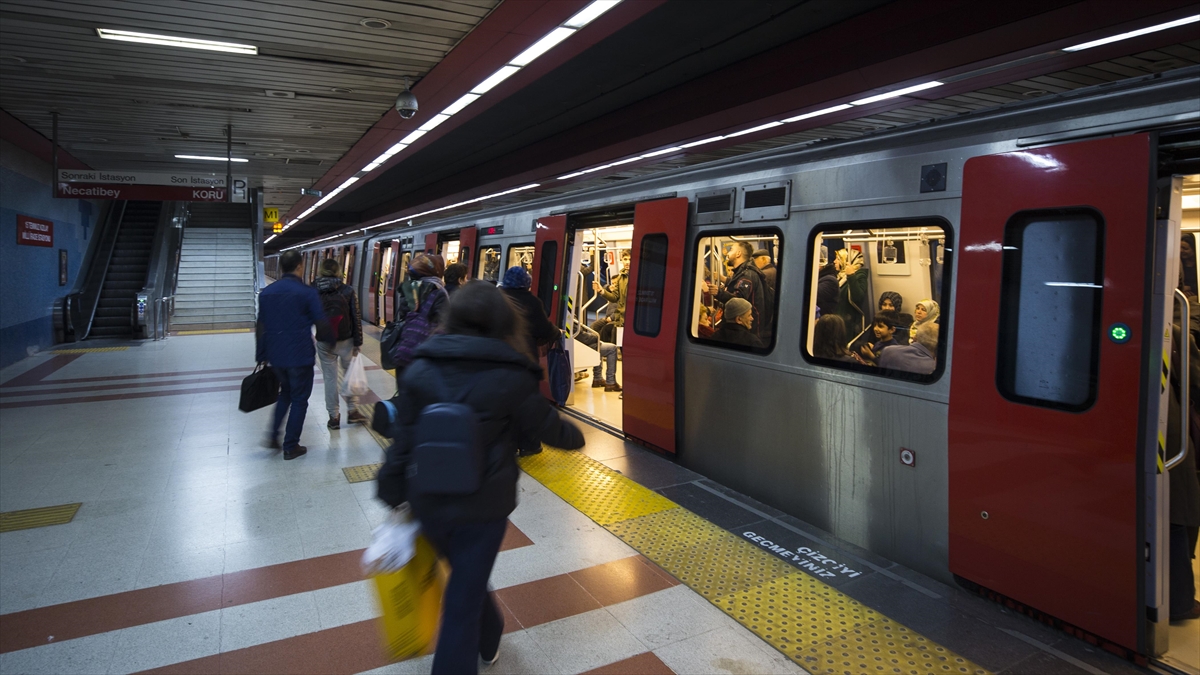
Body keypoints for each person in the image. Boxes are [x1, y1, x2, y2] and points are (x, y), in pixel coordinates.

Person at [376, 281, 585, 674]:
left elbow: (403, 439)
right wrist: (575, 436)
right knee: (463, 600)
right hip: (484, 509)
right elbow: (550, 429)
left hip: (429, 503)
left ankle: (490, 636)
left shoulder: (421, 368)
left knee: (466, 583)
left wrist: (390, 485)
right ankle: (477, 644)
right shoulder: (513, 374)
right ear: (504, 321)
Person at [255, 250, 326, 460]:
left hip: (276, 356)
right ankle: (291, 445)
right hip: (300, 355)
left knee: (285, 394)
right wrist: (329, 340)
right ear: (300, 267)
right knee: (300, 399)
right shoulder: (306, 292)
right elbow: (321, 321)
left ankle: (273, 436)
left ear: (280, 268)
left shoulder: (266, 294)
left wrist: (261, 354)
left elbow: (261, 326)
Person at [314, 258, 367, 430]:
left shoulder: (313, 290)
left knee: (330, 378)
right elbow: (355, 317)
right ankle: (353, 411)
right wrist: (358, 342)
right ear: (338, 271)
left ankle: (334, 417)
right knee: (350, 374)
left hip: (324, 340)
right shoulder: (347, 290)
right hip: (346, 339)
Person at [704, 241, 772, 342]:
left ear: (738, 254)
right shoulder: (743, 273)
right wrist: (725, 281)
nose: (727, 253)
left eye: (731, 250)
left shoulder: (747, 275)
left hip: (748, 329)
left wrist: (719, 293)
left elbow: (739, 302)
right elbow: (737, 285)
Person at [499, 265, 560, 364]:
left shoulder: (496, 298)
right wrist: (557, 332)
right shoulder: (532, 302)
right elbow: (544, 330)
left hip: (498, 355)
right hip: (524, 358)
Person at [591, 250, 630, 344]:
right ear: (622, 261)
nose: (627, 262)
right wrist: (601, 290)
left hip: (630, 320)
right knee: (619, 346)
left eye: (630, 259)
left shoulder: (638, 276)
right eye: (625, 259)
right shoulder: (621, 278)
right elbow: (615, 297)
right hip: (620, 320)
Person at [834, 248, 868, 337]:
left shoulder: (859, 276)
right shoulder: (840, 276)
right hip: (839, 320)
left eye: (838, 259)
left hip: (849, 322)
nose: (834, 261)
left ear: (846, 261)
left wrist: (851, 276)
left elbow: (858, 297)